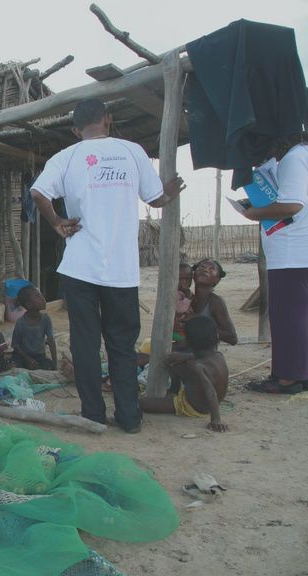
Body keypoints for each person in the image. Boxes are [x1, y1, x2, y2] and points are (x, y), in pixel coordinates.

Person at [31, 97, 185, 433]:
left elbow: (38, 192)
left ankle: (93, 416)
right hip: (120, 270)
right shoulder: (131, 151)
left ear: (75, 129)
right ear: (108, 120)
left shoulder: (66, 157)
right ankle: (129, 418)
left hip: (79, 268)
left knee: (85, 342)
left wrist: (56, 221)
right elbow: (155, 198)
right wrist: (170, 191)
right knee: (121, 344)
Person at [242, 134, 308, 394]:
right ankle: (299, 373)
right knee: (299, 316)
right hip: (299, 250)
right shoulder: (303, 155)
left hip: (291, 252)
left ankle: (288, 379)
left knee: (287, 317)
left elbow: (292, 205)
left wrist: (253, 213)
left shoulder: (294, 158)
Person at [139, 316, 229, 432]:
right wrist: (184, 357)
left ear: (188, 343)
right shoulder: (218, 356)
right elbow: (201, 356)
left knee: (143, 403)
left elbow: (210, 392)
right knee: (175, 362)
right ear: (217, 338)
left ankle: (172, 397)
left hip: (192, 407)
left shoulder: (198, 367)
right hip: (206, 402)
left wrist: (216, 419)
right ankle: (173, 391)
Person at [188, 259, 237, 345]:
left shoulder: (215, 302)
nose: (205, 270)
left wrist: (198, 323)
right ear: (193, 274)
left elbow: (232, 338)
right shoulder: (186, 299)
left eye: (211, 269)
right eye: (202, 267)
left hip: (205, 354)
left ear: (217, 280)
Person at [10, 285, 57, 370]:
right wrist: (27, 359)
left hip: (39, 356)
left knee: (48, 366)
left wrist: (55, 364)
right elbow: (15, 345)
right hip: (23, 356)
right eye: (38, 296)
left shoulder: (46, 319)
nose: (43, 298)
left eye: (41, 295)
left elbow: (51, 341)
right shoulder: (21, 322)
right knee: (13, 366)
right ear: (29, 305)